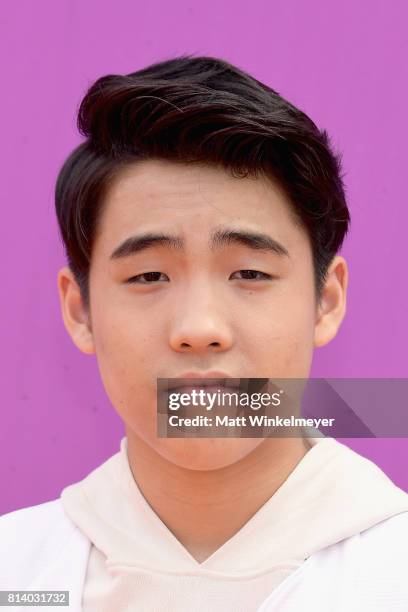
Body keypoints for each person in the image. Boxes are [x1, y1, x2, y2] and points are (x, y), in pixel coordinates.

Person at [1, 55, 407, 612]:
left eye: (250, 273)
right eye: (148, 275)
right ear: (80, 309)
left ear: (326, 300)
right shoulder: (15, 572)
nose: (200, 329)